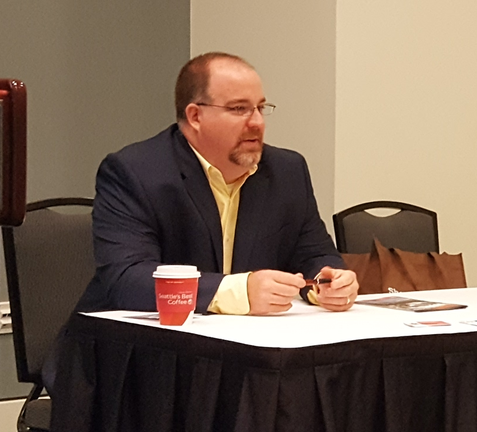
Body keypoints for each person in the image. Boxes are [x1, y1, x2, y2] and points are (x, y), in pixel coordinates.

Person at [78, 52, 359, 315]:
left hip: (243, 350)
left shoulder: (287, 171)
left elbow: (314, 254)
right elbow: (128, 279)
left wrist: (328, 283)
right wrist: (237, 292)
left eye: (261, 108)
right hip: (134, 353)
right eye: (240, 109)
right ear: (195, 116)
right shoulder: (135, 171)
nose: (257, 122)